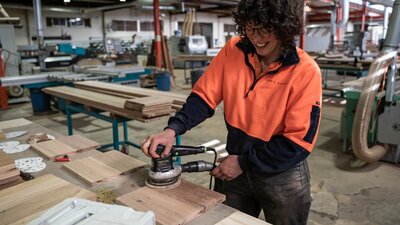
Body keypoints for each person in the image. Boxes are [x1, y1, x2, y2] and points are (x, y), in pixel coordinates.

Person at [141, 0, 322, 224]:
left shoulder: (305, 71)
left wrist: (243, 163)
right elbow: (204, 97)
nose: (256, 37)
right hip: (236, 162)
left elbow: (297, 143)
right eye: (250, 27)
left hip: (281, 174)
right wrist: (172, 129)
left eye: (265, 29)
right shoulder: (233, 50)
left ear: (284, 28)